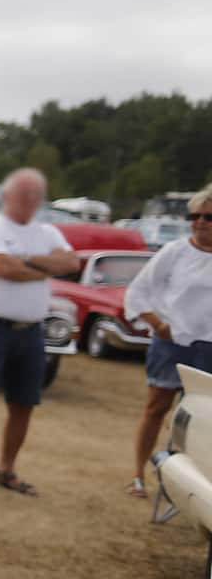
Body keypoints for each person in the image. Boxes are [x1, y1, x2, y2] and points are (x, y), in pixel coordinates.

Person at [0, 168, 81, 495]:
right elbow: (2, 269)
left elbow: (71, 264)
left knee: (24, 403)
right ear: (7, 197)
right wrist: (42, 266)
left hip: (31, 331)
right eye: (25, 195)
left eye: (36, 196)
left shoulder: (48, 232)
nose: (31, 202)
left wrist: (25, 260)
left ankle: (6, 469)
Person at [122, 184, 212, 496]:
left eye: (208, 217)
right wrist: (159, 325)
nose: (200, 222)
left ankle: (188, 484)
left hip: (209, 349)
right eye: (194, 216)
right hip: (173, 344)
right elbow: (137, 292)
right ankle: (138, 475)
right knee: (156, 409)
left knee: (201, 421)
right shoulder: (174, 252)